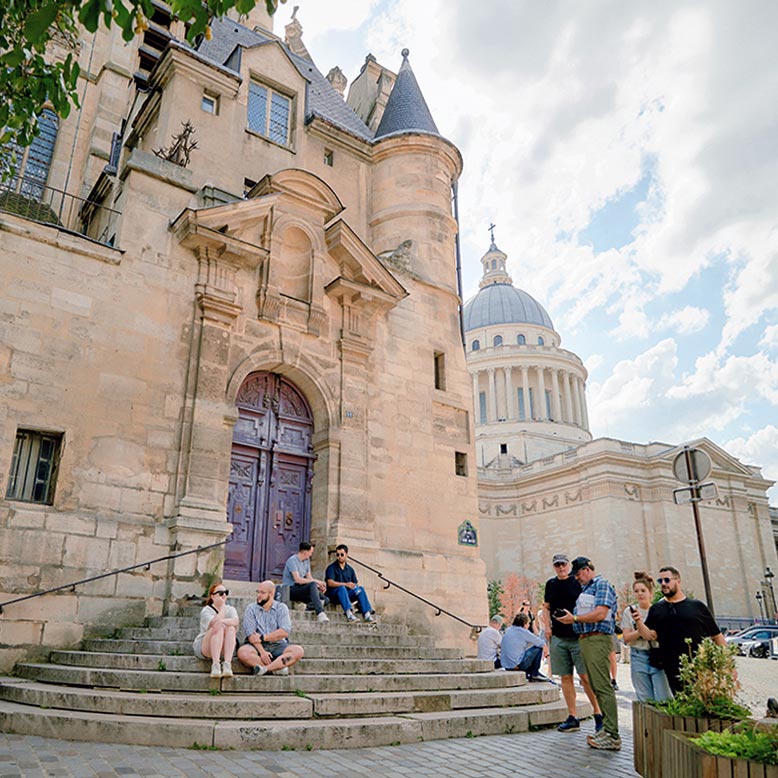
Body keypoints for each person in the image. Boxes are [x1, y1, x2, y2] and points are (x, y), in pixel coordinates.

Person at [556, 556, 621, 751]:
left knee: (602, 685)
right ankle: (607, 729)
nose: (577, 578)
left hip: (597, 637)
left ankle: (612, 734)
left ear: (586, 569)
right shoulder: (587, 589)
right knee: (596, 684)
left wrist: (574, 618)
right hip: (586, 638)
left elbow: (601, 613)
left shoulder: (601, 585)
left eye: (577, 574)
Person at [633, 565, 726, 694]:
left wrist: (726, 665)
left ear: (678, 580)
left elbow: (717, 636)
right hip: (672, 670)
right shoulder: (657, 609)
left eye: (667, 580)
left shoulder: (697, 607)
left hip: (700, 667)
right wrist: (638, 622)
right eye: (660, 581)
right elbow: (650, 636)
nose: (663, 584)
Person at [542, 553, 603, 734]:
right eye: (557, 565)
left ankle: (598, 713)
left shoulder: (577, 582)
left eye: (563, 565)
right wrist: (547, 626)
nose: (561, 568)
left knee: (585, 677)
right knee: (565, 677)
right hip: (559, 637)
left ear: (568, 565)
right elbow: (546, 607)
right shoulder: (550, 584)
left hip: (578, 636)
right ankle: (572, 716)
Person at [621, 571, 672, 702]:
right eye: (636, 591)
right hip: (638, 655)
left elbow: (654, 636)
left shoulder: (658, 610)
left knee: (663, 698)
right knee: (644, 699)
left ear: (650, 593)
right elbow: (626, 637)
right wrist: (642, 630)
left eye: (643, 590)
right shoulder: (630, 611)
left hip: (657, 655)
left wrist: (640, 629)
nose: (640, 594)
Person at [237, 580, 304, 676]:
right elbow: (251, 635)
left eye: (262, 593)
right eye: (258, 592)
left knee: (298, 651)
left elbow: (284, 632)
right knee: (243, 653)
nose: (259, 595)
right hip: (256, 646)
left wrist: (264, 637)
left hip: (278, 645)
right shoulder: (251, 608)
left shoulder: (281, 608)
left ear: (271, 593)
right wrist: (262, 652)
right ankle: (277, 668)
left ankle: (265, 669)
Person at [193, 581, 239, 678]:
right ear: (213, 596)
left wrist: (223, 622)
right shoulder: (206, 610)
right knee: (219, 627)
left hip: (225, 647)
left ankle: (227, 664)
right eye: (221, 593)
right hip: (205, 646)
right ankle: (216, 665)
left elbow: (235, 622)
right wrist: (222, 608)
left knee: (230, 628)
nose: (224, 595)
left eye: (226, 592)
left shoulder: (231, 609)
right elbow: (215, 623)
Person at [324, 544, 375, 622]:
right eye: (337, 555)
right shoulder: (331, 568)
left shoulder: (350, 569)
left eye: (342, 554)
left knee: (360, 589)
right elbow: (330, 583)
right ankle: (349, 614)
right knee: (342, 588)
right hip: (334, 594)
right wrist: (345, 584)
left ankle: (367, 614)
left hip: (347, 594)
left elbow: (355, 583)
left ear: (346, 554)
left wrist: (355, 588)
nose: (339, 557)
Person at [282, 541, 330, 622]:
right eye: (310, 552)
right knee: (312, 585)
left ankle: (309, 606)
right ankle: (320, 613)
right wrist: (317, 582)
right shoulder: (292, 561)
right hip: (291, 589)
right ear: (305, 552)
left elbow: (309, 578)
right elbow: (298, 580)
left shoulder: (306, 561)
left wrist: (318, 587)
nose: (311, 554)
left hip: (301, 589)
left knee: (326, 599)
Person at [500, 613, 550, 681]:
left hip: (506, 665)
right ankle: (534, 674)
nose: (529, 625)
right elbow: (540, 642)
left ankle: (531, 673)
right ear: (524, 623)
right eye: (528, 623)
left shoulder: (508, 630)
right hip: (517, 665)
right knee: (538, 648)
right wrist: (546, 651)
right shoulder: (523, 632)